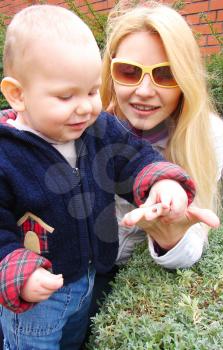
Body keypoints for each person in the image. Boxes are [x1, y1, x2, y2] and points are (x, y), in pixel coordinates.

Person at [0, 4, 200, 350]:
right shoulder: (6, 156)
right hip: (36, 298)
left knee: (77, 340)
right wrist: (20, 272)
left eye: (93, 91)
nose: (86, 107)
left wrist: (162, 183)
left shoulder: (98, 129)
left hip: (89, 277)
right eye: (66, 96)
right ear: (17, 94)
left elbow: (136, 157)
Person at [87, 0, 223, 327]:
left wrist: (170, 237)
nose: (144, 91)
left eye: (165, 74)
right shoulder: (92, 124)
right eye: (128, 71)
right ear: (110, 72)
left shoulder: (207, 135)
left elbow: (193, 245)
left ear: (185, 77)